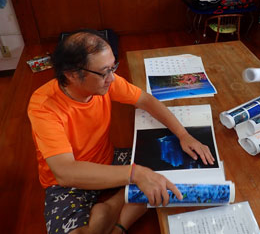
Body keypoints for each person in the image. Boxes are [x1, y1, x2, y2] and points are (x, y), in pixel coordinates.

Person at [27, 30, 215, 234]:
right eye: (103, 72)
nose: (111, 77)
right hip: (69, 182)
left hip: (108, 160)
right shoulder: (44, 106)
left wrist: (183, 134)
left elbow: (145, 100)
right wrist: (135, 174)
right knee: (150, 180)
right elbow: (65, 172)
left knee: (165, 169)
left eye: (112, 67)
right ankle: (123, 203)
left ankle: (117, 220)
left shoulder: (107, 82)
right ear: (72, 74)